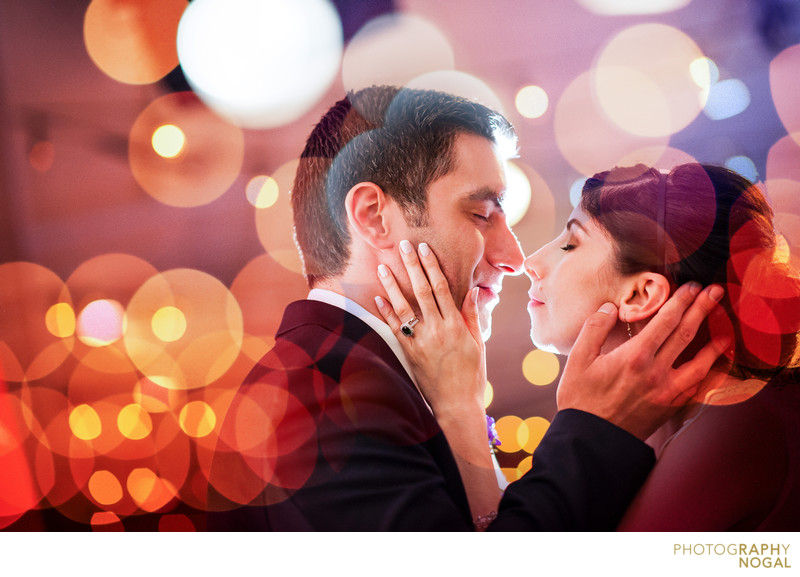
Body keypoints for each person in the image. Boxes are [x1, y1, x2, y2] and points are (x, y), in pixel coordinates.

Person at [207, 86, 725, 531]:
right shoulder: (318, 393)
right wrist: (595, 429)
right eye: (481, 214)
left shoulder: (376, 380)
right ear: (374, 217)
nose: (514, 258)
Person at [377, 162, 800, 530]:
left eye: (570, 244)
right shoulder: (665, 427)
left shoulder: (734, 426)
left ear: (640, 295)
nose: (531, 263)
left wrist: (462, 406)